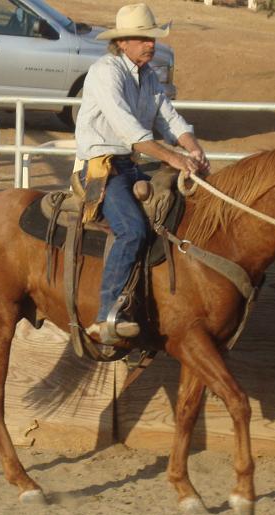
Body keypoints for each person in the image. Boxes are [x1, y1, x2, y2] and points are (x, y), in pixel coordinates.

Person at [75, 3, 210, 344]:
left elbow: (169, 118)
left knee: (175, 212)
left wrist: (193, 149)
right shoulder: (106, 72)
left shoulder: (148, 76)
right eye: (141, 38)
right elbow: (131, 131)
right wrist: (176, 159)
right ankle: (106, 315)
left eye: (151, 37)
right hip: (99, 168)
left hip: (129, 165)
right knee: (133, 230)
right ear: (122, 43)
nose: (150, 44)